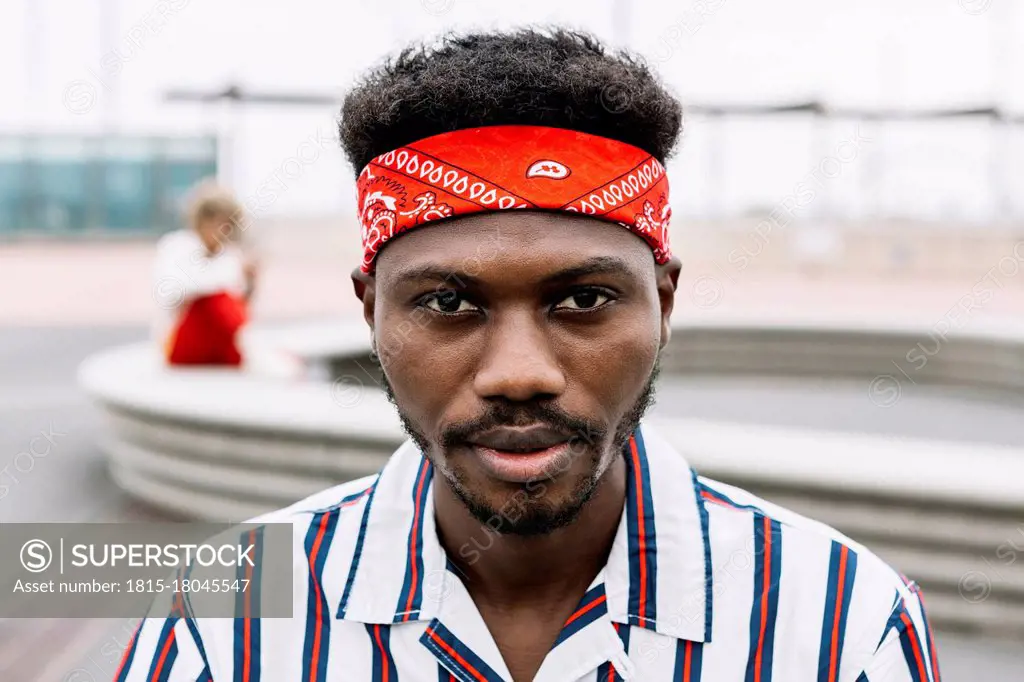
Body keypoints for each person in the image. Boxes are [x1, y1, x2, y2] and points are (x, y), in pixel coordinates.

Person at [118, 29, 941, 681]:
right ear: (371, 311)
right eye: (448, 303)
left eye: (583, 300)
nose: (519, 373)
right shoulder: (218, 617)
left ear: (664, 301)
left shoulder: (840, 624)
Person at [152, 179, 257, 367]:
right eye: (221, 223)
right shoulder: (177, 247)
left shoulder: (228, 255)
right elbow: (171, 292)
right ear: (203, 220)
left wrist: (251, 283)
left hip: (219, 343)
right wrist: (224, 276)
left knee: (225, 305)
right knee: (217, 302)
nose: (225, 231)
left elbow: (240, 310)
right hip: (179, 341)